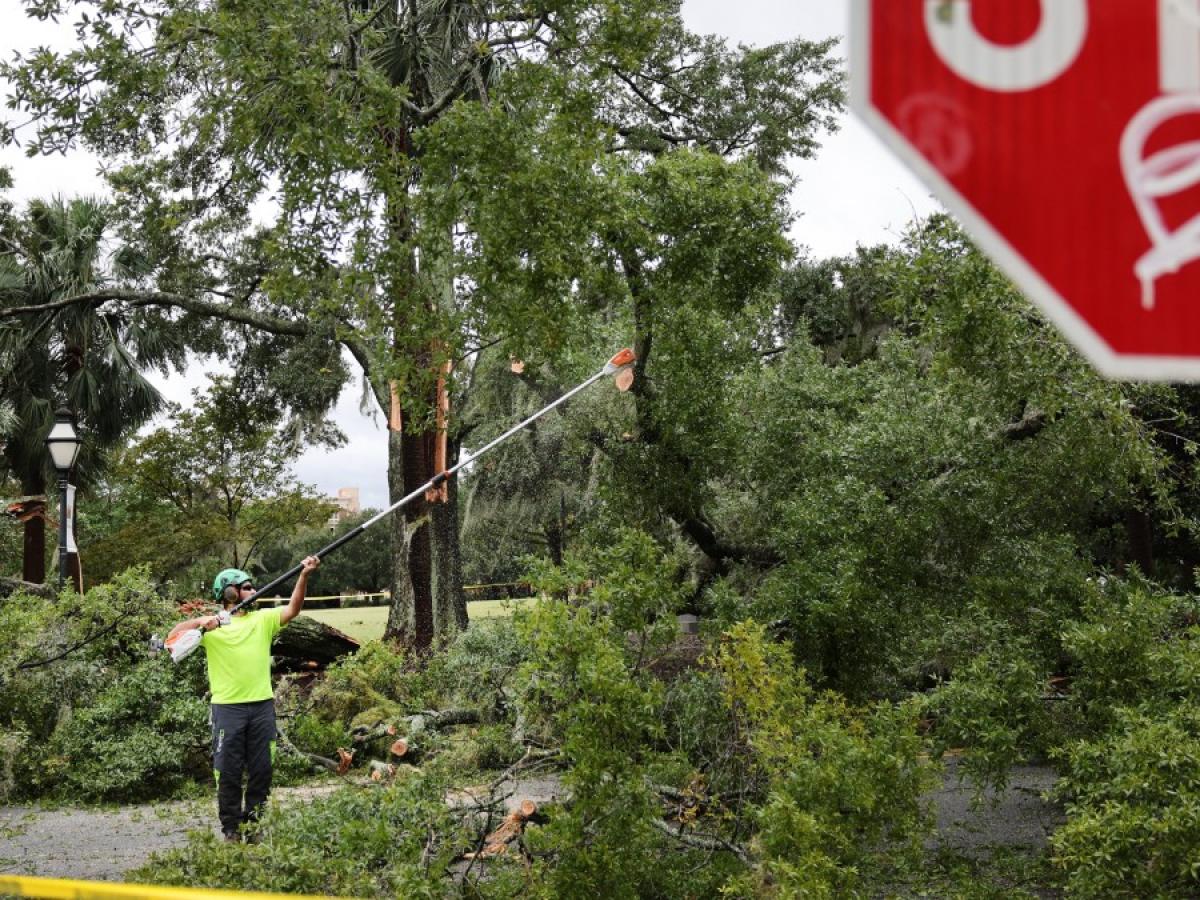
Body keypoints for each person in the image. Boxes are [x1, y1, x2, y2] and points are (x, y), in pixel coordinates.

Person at [167, 555, 320, 841]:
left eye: (251, 587)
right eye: (247, 587)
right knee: (228, 772)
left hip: (262, 706)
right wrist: (203, 621)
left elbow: (293, 609)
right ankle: (231, 829)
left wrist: (304, 576)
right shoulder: (212, 629)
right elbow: (171, 638)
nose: (253, 591)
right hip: (227, 709)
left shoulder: (263, 619)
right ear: (229, 593)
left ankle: (254, 826)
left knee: (262, 770)